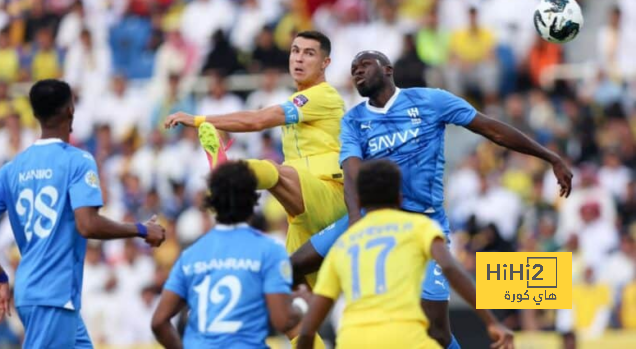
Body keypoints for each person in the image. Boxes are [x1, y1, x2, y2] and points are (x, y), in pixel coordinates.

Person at [292, 50, 572, 348]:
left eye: (364, 65)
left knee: (436, 330)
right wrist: (357, 224)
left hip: (424, 221)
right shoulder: (353, 121)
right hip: (369, 217)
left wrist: (549, 156)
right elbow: (352, 175)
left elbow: (491, 129)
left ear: (387, 70)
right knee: (293, 265)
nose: (357, 72)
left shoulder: (431, 100)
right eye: (353, 68)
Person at [164, 31, 346, 288]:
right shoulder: (299, 101)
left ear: (325, 63)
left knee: (274, 170)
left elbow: (258, 120)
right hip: (301, 211)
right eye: (295, 51)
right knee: (292, 296)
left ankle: (230, 173)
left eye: (309, 53)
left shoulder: (323, 95)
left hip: (330, 196)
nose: (299, 59)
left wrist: (198, 120)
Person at [0, 79, 165, 348]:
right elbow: (87, 225)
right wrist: (141, 229)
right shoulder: (78, 160)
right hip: (52, 294)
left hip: (40, 293)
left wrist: (0, 276)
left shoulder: (11, 169)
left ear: (35, 114)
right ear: (70, 111)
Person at [296, 160, 514, 349]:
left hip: (352, 340)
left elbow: (307, 330)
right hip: (405, 337)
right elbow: (448, 267)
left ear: (359, 202)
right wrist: (491, 320)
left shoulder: (344, 244)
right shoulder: (419, 226)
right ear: (400, 199)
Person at [151, 161, 308, 348]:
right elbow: (282, 320)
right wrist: (301, 304)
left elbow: (158, 322)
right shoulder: (270, 250)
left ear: (212, 203)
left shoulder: (191, 254)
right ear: (253, 200)